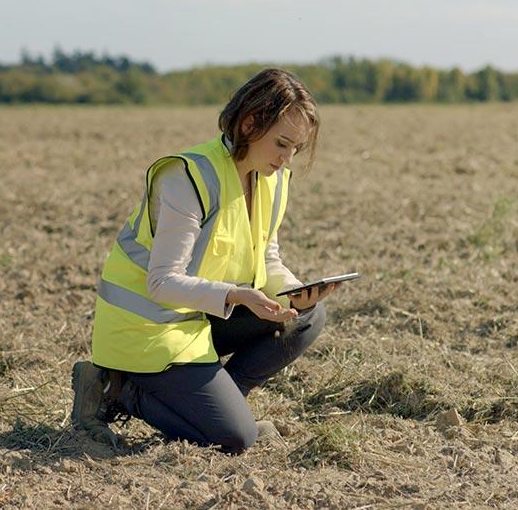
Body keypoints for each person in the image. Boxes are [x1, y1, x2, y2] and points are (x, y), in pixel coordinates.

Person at [71, 68, 338, 454]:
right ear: (249, 124)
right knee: (236, 438)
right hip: (149, 329)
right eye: (282, 144)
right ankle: (116, 389)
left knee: (309, 316)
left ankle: (222, 403)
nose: (287, 158)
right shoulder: (188, 176)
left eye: (296, 148)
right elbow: (161, 282)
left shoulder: (272, 178)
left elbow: (267, 257)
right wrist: (237, 295)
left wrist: (296, 294)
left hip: (200, 316)